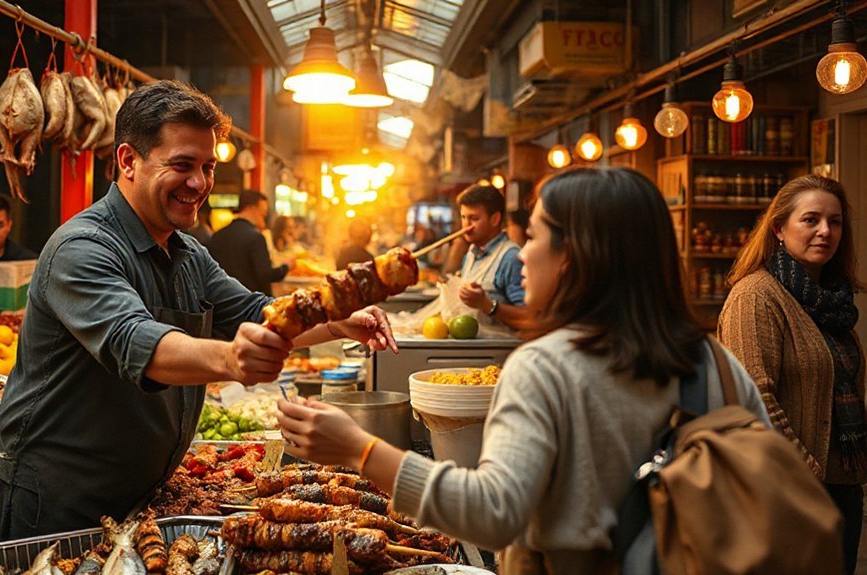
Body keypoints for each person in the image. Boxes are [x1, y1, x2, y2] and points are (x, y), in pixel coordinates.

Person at [278, 167, 769, 573]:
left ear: (574, 254)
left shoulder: (545, 367)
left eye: (533, 235)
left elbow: (493, 511)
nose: (522, 252)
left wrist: (359, 448)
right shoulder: (716, 363)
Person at [0, 80, 396, 541]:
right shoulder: (81, 248)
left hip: (138, 496)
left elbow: (259, 312)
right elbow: (134, 341)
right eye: (182, 165)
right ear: (128, 161)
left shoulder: (187, 253)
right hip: (57, 502)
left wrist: (340, 321)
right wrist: (230, 360)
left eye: (207, 167)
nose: (199, 183)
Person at [718, 174, 866, 575]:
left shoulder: (834, 302)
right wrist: (808, 477)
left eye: (834, 222)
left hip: (843, 489)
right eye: (811, 219)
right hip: (787, 494)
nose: (825, 232)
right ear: (780, 229)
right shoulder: (756, 296)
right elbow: (755, 400)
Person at [451, 184, 526, 327]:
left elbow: (529, 317)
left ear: (495, 219)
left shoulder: (511, 257)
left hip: (500, 347)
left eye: (474, 218)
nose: (466, 225)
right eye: (463, 217)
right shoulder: (471, 254)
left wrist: (486, 304)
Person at [208, 190, 292, 295]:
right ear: (251, 207)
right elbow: (265, 275)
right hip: (251, 304)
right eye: (263, 213)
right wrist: (286, 267)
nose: (264, 216)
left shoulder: (217, 237)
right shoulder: (256, 238)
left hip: (223, 303)